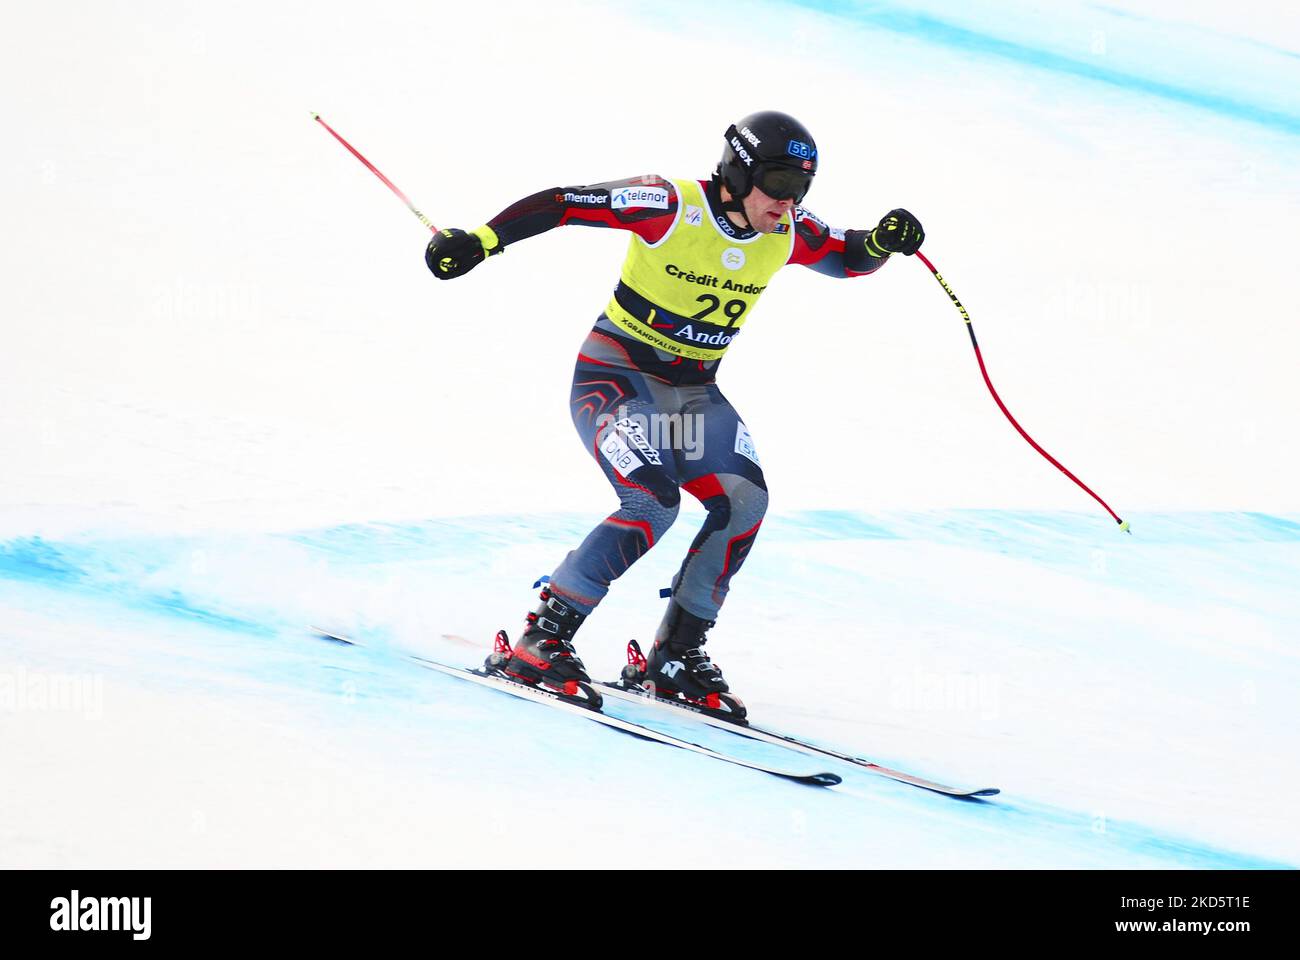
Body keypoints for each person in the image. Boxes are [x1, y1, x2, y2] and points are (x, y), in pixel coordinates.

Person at [425, 111, 923, 710]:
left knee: (743, 502)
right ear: (739, 173)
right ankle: (540, 637)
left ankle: (675, 655)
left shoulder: (786, 230)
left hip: (691, 396)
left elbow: (847, 258)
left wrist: (881, 244)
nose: (789, 203)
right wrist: (481, 240)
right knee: (652, 502)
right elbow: (563, 203)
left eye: (801, 190)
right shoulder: (670, 205)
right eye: (779, 184)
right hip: (615, 379)